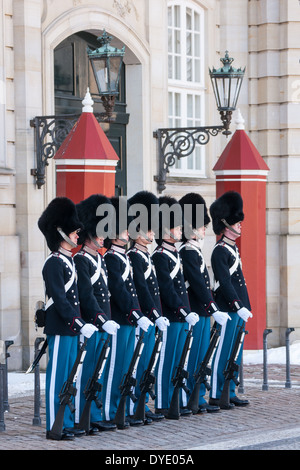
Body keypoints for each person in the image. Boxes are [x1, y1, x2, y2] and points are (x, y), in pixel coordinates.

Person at [37, 197, 98, 440]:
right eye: (73, 232)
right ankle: (54, 424)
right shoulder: (53, 263)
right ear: (60, 233)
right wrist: (77, 322)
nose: (77, 236)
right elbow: (60, 300)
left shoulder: (68, 261)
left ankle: (67, 420)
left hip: (71, 328)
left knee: (70, 376)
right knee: (58, 377)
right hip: (62, 327)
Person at [100, 196, 153, 428]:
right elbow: (119, 291)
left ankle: (126, 407)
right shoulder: (112, 257)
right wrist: (134, 314)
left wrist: (138, 314)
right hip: (121, 320)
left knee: (127, 367)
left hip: (130, 320)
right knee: (115, 367)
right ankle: (110, 411)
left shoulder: (123, 256)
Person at [178, 192, 230, 414]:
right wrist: (212, 307)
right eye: (200, 227)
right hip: (193, 308)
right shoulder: (187, 251)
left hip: (200, 310)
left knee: (201, 356)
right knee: (191, 356)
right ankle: (190, 394)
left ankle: (197, 395)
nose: (203, 230)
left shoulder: (194, 250)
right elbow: (198, 284)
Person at [73, 194, 120, 433]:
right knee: (86, 372)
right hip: (92, 324)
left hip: (103, 323)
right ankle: (83, 416)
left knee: (98, 371)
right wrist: (101, 319)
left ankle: (93, 413)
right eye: (100, 231)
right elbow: (87, 295)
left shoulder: (99, 259)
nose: (103, 236)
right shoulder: (81, 260)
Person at [151, 195, 199, 417]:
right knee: (167, 360)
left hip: (180, 315)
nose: (181, 230)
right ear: (166, 230)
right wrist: (182, 310)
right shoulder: (160, 256)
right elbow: (167, 290)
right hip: (171, 315)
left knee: (179, 360)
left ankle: (175, 399)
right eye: (177, 227)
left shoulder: (173, 253)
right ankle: (163, 401)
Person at [127, 190, 169, 423]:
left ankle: (142, 404)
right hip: (141, 318)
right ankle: (134, 406)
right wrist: (152, 314)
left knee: (148, 364)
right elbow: (141, 290)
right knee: (138, 364)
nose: (152, 232)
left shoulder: (146, 255)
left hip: (151, 318)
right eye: (148, 227)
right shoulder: (134, 255)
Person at [208, 191, 252, 409]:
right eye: (237, 222)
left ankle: (230, 389)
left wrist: (244, 306)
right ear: (226, 225)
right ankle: (217, 392)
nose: (240, 225)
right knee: (223, 351)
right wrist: (237, 305)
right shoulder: (220, 251)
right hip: (228, 309)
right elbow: (225, 282)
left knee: (236, 351)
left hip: (238, 309)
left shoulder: (232, 248)